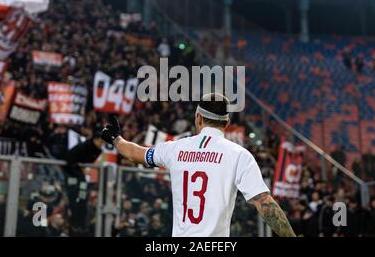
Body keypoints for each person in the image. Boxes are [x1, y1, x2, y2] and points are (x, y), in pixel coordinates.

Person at [101, 93, 296, 237]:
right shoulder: (239, 155)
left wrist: (116, 139)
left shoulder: (175, 149)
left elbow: (135, 154)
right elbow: (265, 204)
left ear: (199, 118)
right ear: (226, 122)